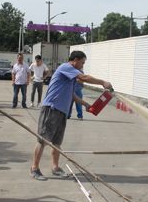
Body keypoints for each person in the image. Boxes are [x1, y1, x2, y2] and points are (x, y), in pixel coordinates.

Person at [30, 51, 113, 180]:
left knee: (57, 142)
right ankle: (34, 168)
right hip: (51, 108)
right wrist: (103, 82)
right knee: (43, 140)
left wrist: (85, 104)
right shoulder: (66, 67)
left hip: (62, 111)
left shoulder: (71, 76)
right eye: (82, 62)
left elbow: (72, 95)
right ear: (74, 60)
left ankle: (55, 167)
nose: (82, 66)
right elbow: (84, 78)